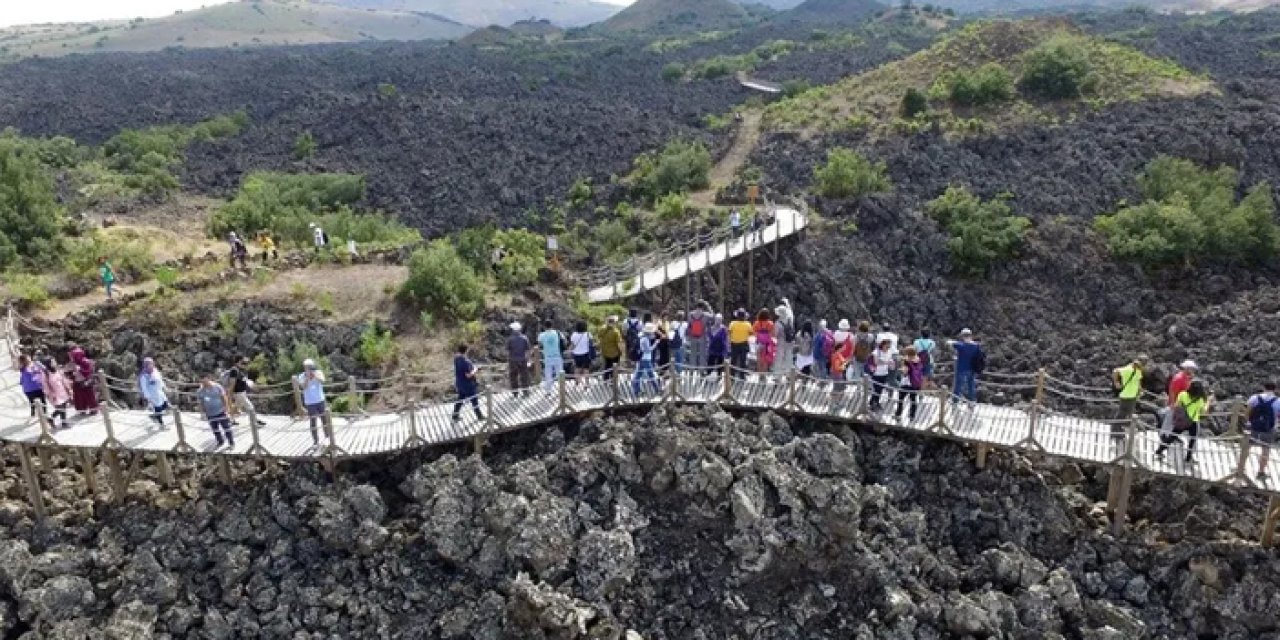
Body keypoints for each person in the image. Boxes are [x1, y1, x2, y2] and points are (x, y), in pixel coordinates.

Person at [1157, 380, 1209, 464]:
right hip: (1193, 421)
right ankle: (1188, 458)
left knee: (1171, 437)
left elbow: (1177, 405)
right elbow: (1203, 411)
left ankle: (1159, 450)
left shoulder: (1183, 394)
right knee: (1192, 440)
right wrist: (1207, 403)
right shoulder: (1200, 400)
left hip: (1181, 420)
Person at [1248, 382, 1279, 479]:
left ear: (1263, 387)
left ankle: (1239, 467)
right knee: (1265, 450)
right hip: (1268, 428)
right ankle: (1260, 472)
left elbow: (1248, 411)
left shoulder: (1254, 398)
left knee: (1246, 447)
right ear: (1275, 389)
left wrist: (1248, 422)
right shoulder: (1278, 401)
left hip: (1254, 426)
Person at [197, 372, 236, 449]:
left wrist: (226, 409)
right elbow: (201, 402)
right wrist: (202, 413)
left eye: (205, 381)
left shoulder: (217, 387)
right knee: (215, 429)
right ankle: (220, 441)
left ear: (208, 379)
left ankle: (231, 443)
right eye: (202, 382)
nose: (203, 383)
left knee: (226, 427)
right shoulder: (200, 391)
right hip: (210, 413)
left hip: (221, 411)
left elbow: (224, 397)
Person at [1111, 355, 1147, 437]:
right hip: (1125, 395)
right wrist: (1116, 383)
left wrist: (1140, 390)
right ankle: (1115, 431)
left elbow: (1137, 381)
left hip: (1133, 396)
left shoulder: (1139, 370)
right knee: (1121, 413)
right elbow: (1115, 371)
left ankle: (1120, 428)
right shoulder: (1128, 369)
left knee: (1129, 413)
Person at [947, 328, 983, 406]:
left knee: (958, 385)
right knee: (971, 385)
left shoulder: (960, 345)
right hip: (972, 368)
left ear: (962, 336)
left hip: (961, 369)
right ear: (971, 335)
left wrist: (951, 341)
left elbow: (949, 343)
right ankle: (972, 401)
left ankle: (955, 401)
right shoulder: (976, 346)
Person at [225, 357, 265, 426]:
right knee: (250, 407)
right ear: (237, 362)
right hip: (238, 393)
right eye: (242, 362)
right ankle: (254, 422)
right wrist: (230, 394)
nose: (245, 364)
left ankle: (230, 419)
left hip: (242, 392)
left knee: (236, 407)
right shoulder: (234, 370)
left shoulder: (241, 370)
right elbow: (232, 383)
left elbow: (244, 380)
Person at [296, 359, 327, 445]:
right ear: (304, 368)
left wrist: (315, 376)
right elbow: (303, 387)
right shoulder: (302, 376)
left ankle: (327, 437)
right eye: (307, 367)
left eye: (310, 367)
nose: (309, 369)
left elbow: (323, 381)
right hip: (310, 402)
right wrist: (307, 378)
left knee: (324, 419)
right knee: (313, 421)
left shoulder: (318, 372)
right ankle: (316, 441)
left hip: (320, 400)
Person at [452, 344, 484, 422]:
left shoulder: (456, 359)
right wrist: (476, 369)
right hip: (468, 385)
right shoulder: (465, 361)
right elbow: (468, 375)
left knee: (460, 399)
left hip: (460, 383)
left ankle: (455, 415)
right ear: (466, 350)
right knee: (474, 400)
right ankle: (480, 417)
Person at [896, 345, 926, 422]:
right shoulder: (918, 360)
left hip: (907, 383)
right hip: (916, 384)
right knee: (913, 399)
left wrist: (901, 369)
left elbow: (905, 372)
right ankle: (912, 416)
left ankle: (898, 414)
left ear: (908, 353)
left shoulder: (907, 362)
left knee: (901, 398)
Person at [137, 357, 170, 428]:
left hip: (159, 391)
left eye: (152, 363)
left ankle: (154, 416)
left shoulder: (155, 371)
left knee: (165, 404)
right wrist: (148, 397)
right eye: (149, 364)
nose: (151, 365)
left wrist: (164, 387)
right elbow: (144, 388)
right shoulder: (144, 376)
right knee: (158, 408)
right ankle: (161, 423)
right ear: (146, 365)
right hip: (153, 394)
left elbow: (160, 380)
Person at [631, 323, 662, 397]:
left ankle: (636, 391)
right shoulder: (645, 339)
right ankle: (657, 390)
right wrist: (655, 343)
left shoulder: (643, 337)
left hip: (642, 359)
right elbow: (648, 350)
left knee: (638, 375)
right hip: (645, 359)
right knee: (651, 375)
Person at [42, 359, 72, 430]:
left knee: (63, 407)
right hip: (55, 393)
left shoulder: (58, 370)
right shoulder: (46, 374)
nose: (54, 363)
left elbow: (63, 380)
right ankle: (51, 418)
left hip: (63, 391)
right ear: (48, 364)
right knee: (60, 408)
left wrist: (69, 389)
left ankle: (63, 422)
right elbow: (45, 385)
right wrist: (50, 394)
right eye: (52, 362)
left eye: (54, 361)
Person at [68, 346, 98, 416]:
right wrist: (72, 374)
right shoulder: (74, 363)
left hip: (86, 381)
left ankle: (93, 409)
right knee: (79, 397)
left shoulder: (86, 361)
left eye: (75, 356)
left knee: (90, 396)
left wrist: (80, 370)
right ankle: (82, 409)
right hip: (77, 381)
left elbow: (88, 371)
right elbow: (69, 373)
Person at [868, 339, 896, 411]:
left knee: (880, 390)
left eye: (889, 347)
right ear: (883, 345)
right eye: (887, 347)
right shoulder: (876, 352)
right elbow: (876, 362)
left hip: (884, 373)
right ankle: (873, 404)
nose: (888, 348)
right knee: (876, 389)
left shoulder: (889, 352)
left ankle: (875, 402)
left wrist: (892, 363)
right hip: (876, 373)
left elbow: (890, 360)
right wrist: (887, 362)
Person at [506, 322, 532, 396]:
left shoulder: (510, 339)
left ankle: (515, 393)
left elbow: (508, 351)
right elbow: (527, 350)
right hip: (523, 359)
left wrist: (508, 360)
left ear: (513, 330)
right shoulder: (524, 338)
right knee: (524, 376)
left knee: (513, 376)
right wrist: (528, 360)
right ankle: (525, 392)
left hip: (512, 360)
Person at [538, 320, 563, 393]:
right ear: (552, 325)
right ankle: (561, 389)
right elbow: (564, 341)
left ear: (544, 326)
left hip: (548, 356)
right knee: (560, 373)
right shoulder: (557, 332)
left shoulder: (542, 335)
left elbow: (540, 345)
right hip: (557, 355)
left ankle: (548, 391)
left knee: (548, 374)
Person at [18, 355, 46, 419]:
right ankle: (43, 415)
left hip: (29, 389)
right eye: (28, 358)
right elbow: (42, 370)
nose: (29, 358)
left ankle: (33, 413)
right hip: (36, 387)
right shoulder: (27, 368)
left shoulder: (23, 368)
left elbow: (22, 380)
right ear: (25, 360)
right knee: (42, 402)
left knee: (33, 402)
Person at [728, 309, 753, 378]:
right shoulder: (748, 324)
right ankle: (742, 375)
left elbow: (729, 332)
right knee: (743, 360)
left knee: (733, 360)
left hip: (734, 344)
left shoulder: (732, 323)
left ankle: (731, 374)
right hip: (743, 344)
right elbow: (751, 333)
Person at [829, 319, 855, 385]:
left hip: (837, 357)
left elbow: (833, 345)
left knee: (837, 371)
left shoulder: (836, 334)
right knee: (844, 371)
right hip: (847, 358)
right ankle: (843, 384)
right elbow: (853, 347)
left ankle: (838, 385)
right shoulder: (851, 336)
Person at [686, 302, 710, 371]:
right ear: (702, 307)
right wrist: (708, 306)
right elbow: (714, 317)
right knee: (702, 354)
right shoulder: (705, 315)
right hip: (702, 337)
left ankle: (692, 369)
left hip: (693, 337)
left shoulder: (690, 314)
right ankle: (702, 370)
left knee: (693, 354)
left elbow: (689, 326)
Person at [599, 316, 625, 380]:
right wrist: (622, 352)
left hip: (605, 352)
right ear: (614, 323)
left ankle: (606, 379)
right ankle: (613, 380)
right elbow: (619, 343)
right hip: (615, 353)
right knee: (614, 367)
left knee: (607, 366)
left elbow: (599, 337)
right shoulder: (616, 332)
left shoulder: (602, 328)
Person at [753, 309, 776, 373]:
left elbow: (754, 333)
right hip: (767, 344)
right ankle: (764, 375)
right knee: (765, 359)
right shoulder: (770, 323)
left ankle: (759, 374)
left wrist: (759, 336)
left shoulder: (756, 323)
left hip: (758, 343)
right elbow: (773, 334)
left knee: (759, 359)